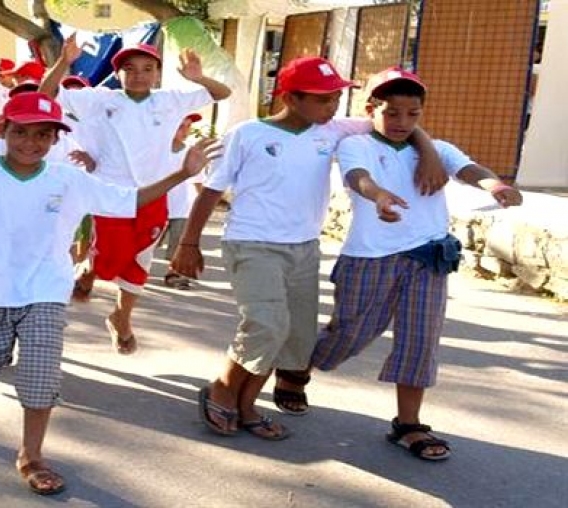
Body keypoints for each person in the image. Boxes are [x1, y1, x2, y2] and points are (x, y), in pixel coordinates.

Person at [0, 88, 220, 496]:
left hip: (45, 292)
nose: (31, 143)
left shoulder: (68, 179)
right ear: (4, 130)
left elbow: (129, 200)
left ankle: (31, 455)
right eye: (22, 132)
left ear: (56, 138)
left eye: (43, 135)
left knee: (40, 378)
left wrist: (182, 173)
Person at [171, 57, 448, 440]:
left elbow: (399, 124)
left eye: (335, 98)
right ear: (290, 97)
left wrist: (430, 152)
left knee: (292, 338)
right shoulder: (248, 133)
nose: (332, 107)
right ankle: (222, 388)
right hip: (253, 244)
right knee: (267, 326)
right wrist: (189, 243)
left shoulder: (332, 130)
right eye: (322, 99)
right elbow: (212, 191)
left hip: (304, 249)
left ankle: (249, 406)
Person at [305, 67, 522, 461]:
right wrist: (379, 196)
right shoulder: (356, 144)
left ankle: (409, 424)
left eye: (413, 114)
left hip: (428, 257)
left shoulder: (437, 149)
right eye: (392, 113)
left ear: (422, 113)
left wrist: (496, 185)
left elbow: (469, 168)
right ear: (371, 108)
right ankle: (297, 366)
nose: (402, 122)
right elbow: (357, 177)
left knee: (420, 340)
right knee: (351, 333)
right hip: (371, 257)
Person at [40, 34, 231, 355]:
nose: (139, 74)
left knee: (139, 261)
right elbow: (47, 93)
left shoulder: (169, 100)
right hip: (110, 196)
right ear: (119, 74)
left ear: (157, 73)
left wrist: (199, 78)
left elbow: (222, 93)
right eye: (130, 69)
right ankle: (89, 271)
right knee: (110, 259)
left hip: (153, 196)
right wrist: (64, 62)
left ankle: (121, 318)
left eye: (147, 68)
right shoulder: (100, 99)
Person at [161, 112, 202, 290]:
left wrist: (200, 206)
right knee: (146, 242)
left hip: (183, 207)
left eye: (188, 126)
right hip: (158, 205)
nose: (185, 131)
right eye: (180, 126)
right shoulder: (157, 151)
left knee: (178, 242)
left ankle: (175, 273)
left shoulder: (191, 152)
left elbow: (199, 182)